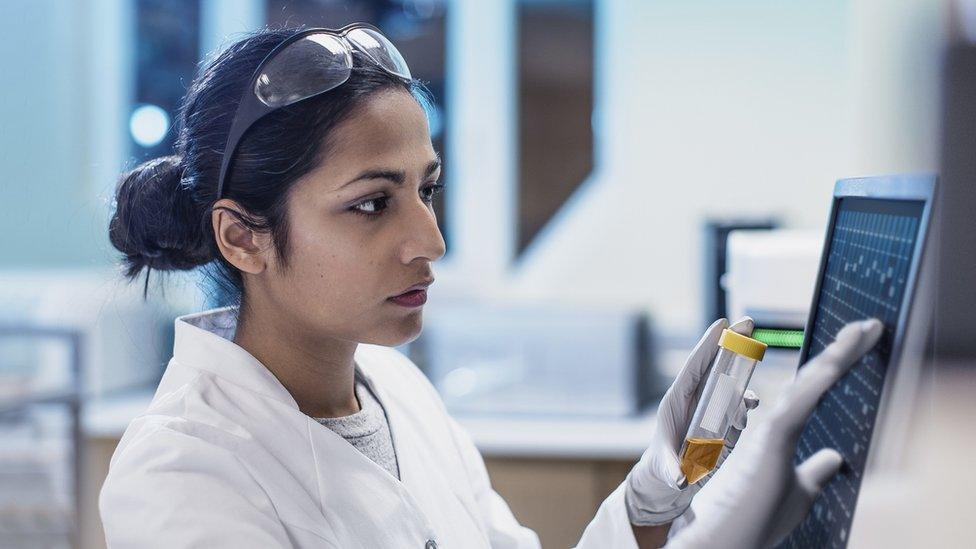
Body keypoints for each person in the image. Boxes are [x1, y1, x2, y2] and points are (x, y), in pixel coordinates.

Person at [99, 24, 884, 548]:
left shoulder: (398, 393)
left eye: (426, 190)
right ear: (243, 236)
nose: (429, 241)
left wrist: (655, 500)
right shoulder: (181, 475)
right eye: (372, 203)